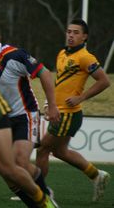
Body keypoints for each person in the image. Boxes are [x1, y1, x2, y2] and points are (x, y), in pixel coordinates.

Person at [0, 19, 60, 206]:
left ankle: (45, 194)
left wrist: (52, 105)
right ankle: (35, 203)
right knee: (6, 171)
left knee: (19, 161)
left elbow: (44, 73)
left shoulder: (15, 55)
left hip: (24, 115)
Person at [36, 18, 111, 202]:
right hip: (59, 111)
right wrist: (49, 103)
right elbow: (59, 83)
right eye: (69, 32)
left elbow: (104, 81)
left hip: (68, 114)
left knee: (43, 150)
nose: (71, 35)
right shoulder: (62, 53)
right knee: (59, 152)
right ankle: (96, 175)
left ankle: (39, 192)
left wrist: (81, 97)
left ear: (84, 37)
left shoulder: (86, 57)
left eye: (76, 32)